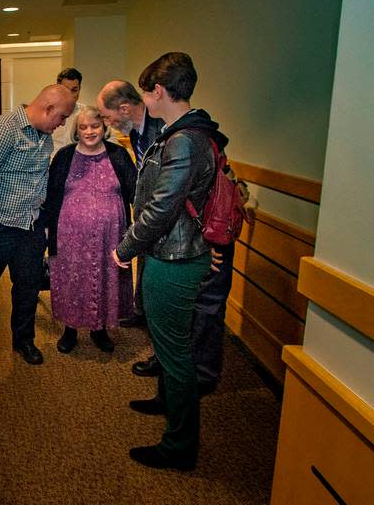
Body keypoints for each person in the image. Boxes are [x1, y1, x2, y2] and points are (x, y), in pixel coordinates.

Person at [112, 52, 226, 471]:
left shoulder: (182, 139)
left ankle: (179, 446)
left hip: (174, 258)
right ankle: (166, 403)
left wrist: (124, 248)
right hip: (176, 251)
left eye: (146, 91)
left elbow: (162, 207)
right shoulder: (192, 131)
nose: (146, 99)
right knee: (167, 345)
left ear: (158, 91)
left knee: (175, 352)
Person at [0, 84, 76, 365]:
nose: (63, 124)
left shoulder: (43, 135)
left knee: (28, 288)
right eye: (62, 117)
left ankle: (24, 341)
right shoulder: (3, 129)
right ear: (48, 109)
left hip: (31, 226)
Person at [41, 106, 137, 354]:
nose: (89, 131)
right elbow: (52, 196)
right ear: (76, 130)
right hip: (69, 237)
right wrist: (47, 230)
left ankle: (99, 330)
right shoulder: (64, 157)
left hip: (110, 239)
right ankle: (70, 330)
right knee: (72, 281)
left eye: (94, 125)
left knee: (105, 280)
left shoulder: (119, 155)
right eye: (83, 127)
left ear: (104, 127)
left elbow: (136, 192)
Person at [96, 80, 164, 337]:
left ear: (124, 108)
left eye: (106, 115)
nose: (106, 122)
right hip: (148, 211)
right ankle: (142, 311)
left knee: (159, 280)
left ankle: (156, 337)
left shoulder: (162, 128)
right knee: (146, 264)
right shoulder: (136, 131)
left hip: (164, 213)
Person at [49, 67, 89, 154]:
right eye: (66, 89)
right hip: (51, 163)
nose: (70, 95)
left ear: (79, 89)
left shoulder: (87, 114)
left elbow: (110, 142)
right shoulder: (47, 113)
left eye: (74, 90)